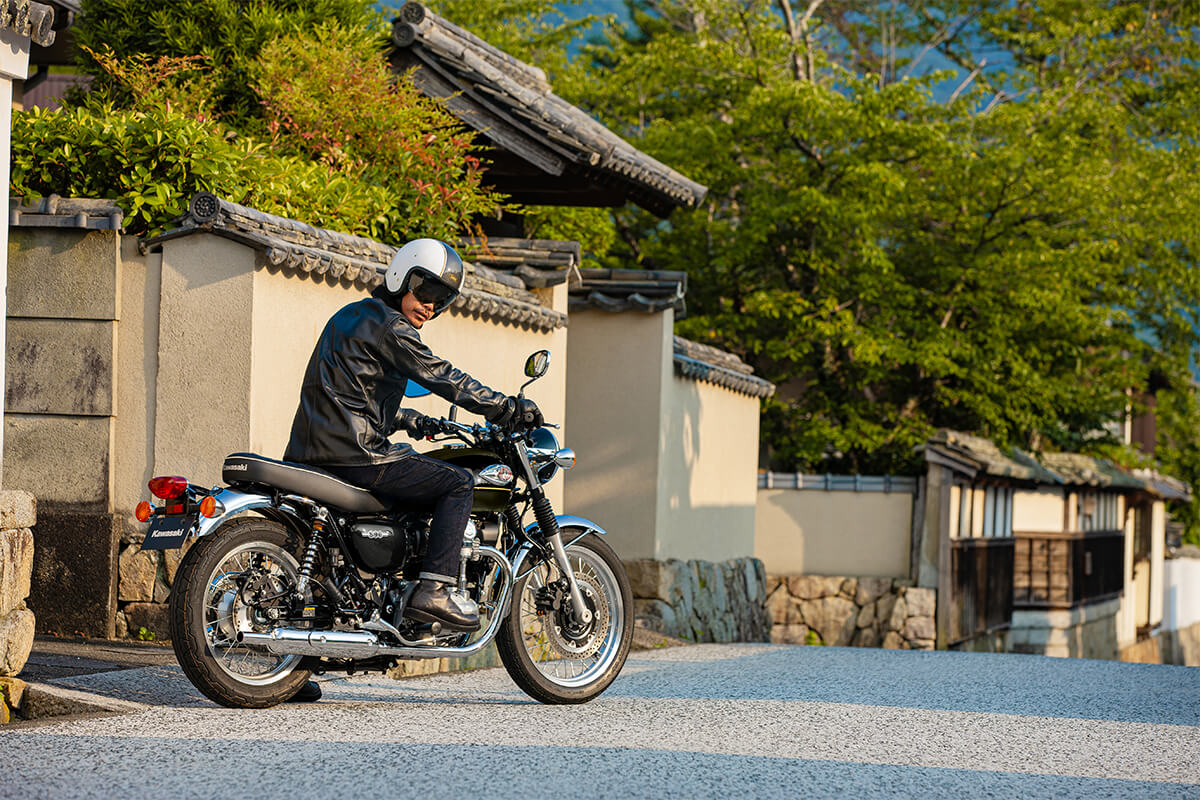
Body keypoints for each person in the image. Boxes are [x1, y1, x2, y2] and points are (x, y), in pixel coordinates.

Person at [283, 238, 542, 633]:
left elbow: (349, 395)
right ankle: (434, 590)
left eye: (442, 300)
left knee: (328, 564)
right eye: (427, 290)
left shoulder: (351, 315)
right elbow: (443, 376)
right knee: (456, 483)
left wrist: (412, 419)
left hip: (310, 451)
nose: (431, 305)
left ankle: (306, 660)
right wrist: (505, 408)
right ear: (402, 277)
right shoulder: (392, 327)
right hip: (357, 455)